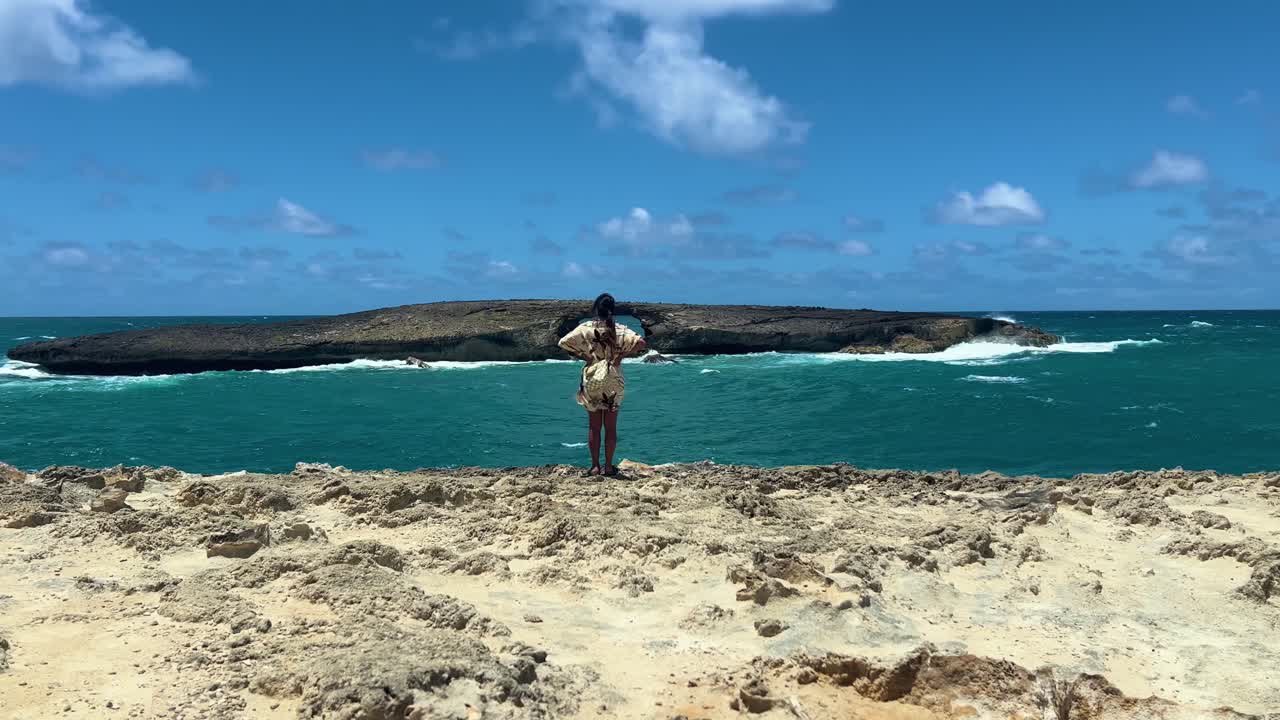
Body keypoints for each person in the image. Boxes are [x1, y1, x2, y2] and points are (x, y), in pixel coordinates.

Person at [557, 293, 647, 476]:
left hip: (593, 376)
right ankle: (608, 466)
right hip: (614, 377)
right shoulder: (620, 329)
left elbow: (563, 342)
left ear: (596, 309)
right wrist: (621, 356)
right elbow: (641, 343)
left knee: (594, 426)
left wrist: (585, 356)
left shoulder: (586, 328)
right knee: (611, 427)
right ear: (612, 309)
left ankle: (595, 466)